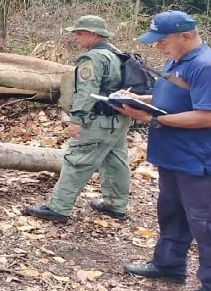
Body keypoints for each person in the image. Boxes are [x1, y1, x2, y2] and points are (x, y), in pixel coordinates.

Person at [116, 10, 211, 291]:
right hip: (172, 157)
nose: (157, 46)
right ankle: (168, 265)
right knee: (172, 215)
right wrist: (135, 100)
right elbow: (169, 97)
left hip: (199, 162)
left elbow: (210, 117)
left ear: (186, 35)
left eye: (162, 40)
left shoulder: (207, 67)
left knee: (210, 226)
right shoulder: (176, 60)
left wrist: (152, 120)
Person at [24, 15, 131, 222]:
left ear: (93, 34)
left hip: (98, 121)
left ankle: (58, 208)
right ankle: (115, 205)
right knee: (115, 161)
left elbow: (86, 91)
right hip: (118, 119)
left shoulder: (92, 58)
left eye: (79, 33)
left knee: (77, 160)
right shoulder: (117, 54)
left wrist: (77, 119)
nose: (76, 38)